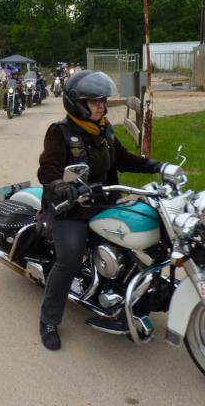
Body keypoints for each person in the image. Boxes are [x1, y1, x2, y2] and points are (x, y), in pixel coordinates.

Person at [36, 70, 163, 351]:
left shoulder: (103, 129)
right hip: (71, 209)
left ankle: (125, 300)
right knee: (69, 259)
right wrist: (63, 187)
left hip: (104, 204)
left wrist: (156, 166)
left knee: (140, 244)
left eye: (103, 101)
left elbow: (123, 159)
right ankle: (48, 320)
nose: (101, 106)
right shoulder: (60, 132)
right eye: (95, 102)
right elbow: (48, 172)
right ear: (77, 104)